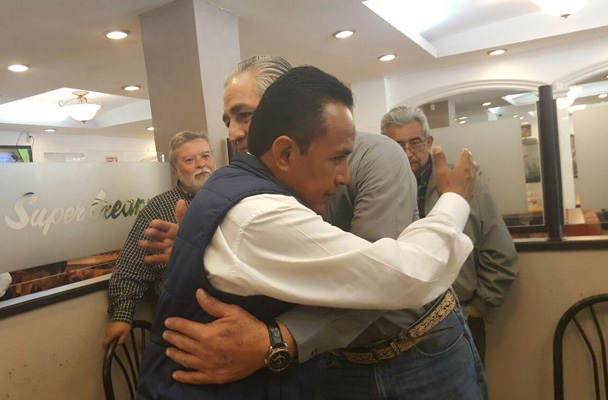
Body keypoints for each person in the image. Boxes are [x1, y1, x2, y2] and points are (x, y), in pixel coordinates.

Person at [136, 65, 479, 399]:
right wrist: (454, 199)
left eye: (246, 115)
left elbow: (378, 288)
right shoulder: (261, 210)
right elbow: (406, 274)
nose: (236, 133)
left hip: (416, 353)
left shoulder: (248, 187)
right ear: (285, 150)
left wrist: (277, 338)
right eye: (230, 120)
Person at [381, 106, 519, 362]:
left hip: (458, 317)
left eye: (415, 142)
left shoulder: (461, 183)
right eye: (397, 145)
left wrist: (478, 307)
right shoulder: (377, 189)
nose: (407, 153)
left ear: (429, 142)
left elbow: (500, 250)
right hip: (398, 328)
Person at [103, 131, 216, 346]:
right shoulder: (158, 208)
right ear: (174, 169)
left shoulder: (234, 199)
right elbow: (131, 268)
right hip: (182, 323)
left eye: (205, 156)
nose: (201, 164)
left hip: (233, 316)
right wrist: (122, 315)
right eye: (189, 160)